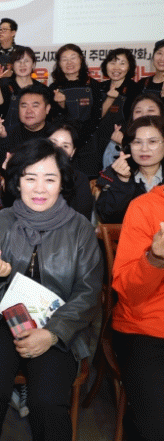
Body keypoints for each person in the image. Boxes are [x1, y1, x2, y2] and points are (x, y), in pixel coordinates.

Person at [0, 138, 101, 441]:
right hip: (3, 316)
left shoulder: (80, 229)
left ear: (62, 182)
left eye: (49, 179)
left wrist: (52, 334)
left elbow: (89, 293)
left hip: (60, 323)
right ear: (17, 181)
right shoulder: (1, 222)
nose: (40, 188)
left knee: (47, 403)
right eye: (30, 178)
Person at [110, 185, 164, 441]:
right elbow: (128, 291)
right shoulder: (145, 207)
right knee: (156, 428)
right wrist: (155, 258)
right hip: (145, 327)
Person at [96, 115, 164, 223]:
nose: (144, 149)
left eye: (152, 142)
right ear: (129, 146)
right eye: (137, 142)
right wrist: (122, 182)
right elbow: (108, 218)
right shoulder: (116, 171)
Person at [49, 43, 103, 177]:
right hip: (63, 147)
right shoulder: (54, 88)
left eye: (73, 57)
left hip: (89, 144)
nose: (69, 62)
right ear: (59, 64)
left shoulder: (94, 85)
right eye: (64, 59)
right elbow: (53, 121)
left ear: (81, 60)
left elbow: (97, 117)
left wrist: (79, 141)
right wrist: (61, 105)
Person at [0, 85, 53, 169]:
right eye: (24, 106)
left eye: (35, 106)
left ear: (47, 109)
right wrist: (2, 139)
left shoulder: (56, 135)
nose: (29, 111)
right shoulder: (6, 133)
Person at [0, 46, 49, 130]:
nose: (22, 65)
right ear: (12, 66)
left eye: (26, 61)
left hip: (36, 134)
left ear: (33, 65)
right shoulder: (3, 84)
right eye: (18, 61)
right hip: (7, 133)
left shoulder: (42, 89)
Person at [47, 122, 94, 220]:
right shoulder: (29, 173)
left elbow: (82, 220)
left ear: (72, 152)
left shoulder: (79, 179)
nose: (58, 149)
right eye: (53, 143)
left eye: (65, 146)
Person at [103, 94, 164, 169]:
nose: (144, 115)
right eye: (138, 111)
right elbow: (110, 167)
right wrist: (124, 145)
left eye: (150, 110)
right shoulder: (121, 136)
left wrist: (125, 144)